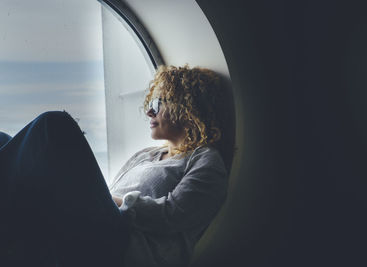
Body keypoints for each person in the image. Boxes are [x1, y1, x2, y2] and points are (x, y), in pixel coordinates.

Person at [0, 65, 234, 267]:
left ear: (188, 108)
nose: (150, 110)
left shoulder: (206, 161)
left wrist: (110, 201)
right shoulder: (147, 155)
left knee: (54, 126)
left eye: (158, 102)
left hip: (124, 244)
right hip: (106, 222)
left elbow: (173, 216)